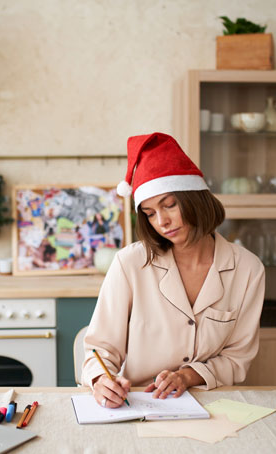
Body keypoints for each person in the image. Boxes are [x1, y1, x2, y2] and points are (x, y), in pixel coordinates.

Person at [81, 132, 265, 409]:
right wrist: (100, 381)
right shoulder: (130, 264)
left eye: (169, 205)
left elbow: (238, 358)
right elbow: (100, 350)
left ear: (194, 199)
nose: (162, 221)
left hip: (214, 403)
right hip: (140, 403)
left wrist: (188, 376)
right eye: (150, 213)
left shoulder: (248, 270)